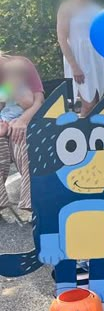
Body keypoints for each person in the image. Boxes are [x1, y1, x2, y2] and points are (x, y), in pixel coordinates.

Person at [56, 0, 104, 116]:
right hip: (79, 60)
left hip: (99, 59)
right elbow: (62, 38)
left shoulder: (95, 7)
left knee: (103, 103)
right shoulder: (66, 7)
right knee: (88, 104)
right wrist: (74, 67)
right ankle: (83, 137)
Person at [0, 53, 44, 222]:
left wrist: (23, 121)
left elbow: (35, 101)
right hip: (6, 122)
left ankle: (32, 201)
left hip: (27, 119)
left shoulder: (21, 65)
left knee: (23, 142)